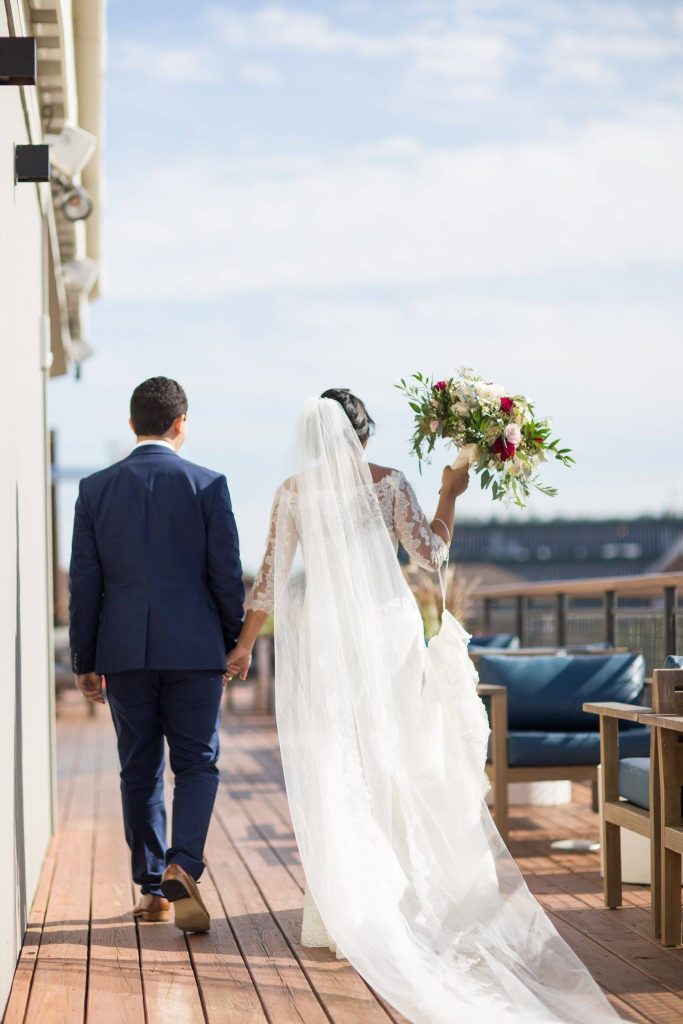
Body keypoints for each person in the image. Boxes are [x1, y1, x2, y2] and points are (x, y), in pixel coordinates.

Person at [228, 390, 620, 1024]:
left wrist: (245, 646)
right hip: (386, 634)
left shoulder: (292, 491)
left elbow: (270, 578)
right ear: (362, 434)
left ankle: (343, 906)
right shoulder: (388, 483)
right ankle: (402, 893)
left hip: (329, 635)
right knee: (395, 752)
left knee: (340, 757)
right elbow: (430, 554)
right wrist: (450, 494)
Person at [69, 376, 244, 933]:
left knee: (138, 768)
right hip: (194, 650)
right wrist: (230, 642)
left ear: (131, 424)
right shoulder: (209, 484)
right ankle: (182, 864)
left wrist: (84, 660)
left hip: (123, 653)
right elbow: (225, 579)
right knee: (196, 762)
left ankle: (152, 892)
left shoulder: (96, 490)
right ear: (180, 423)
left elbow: (84, 585)